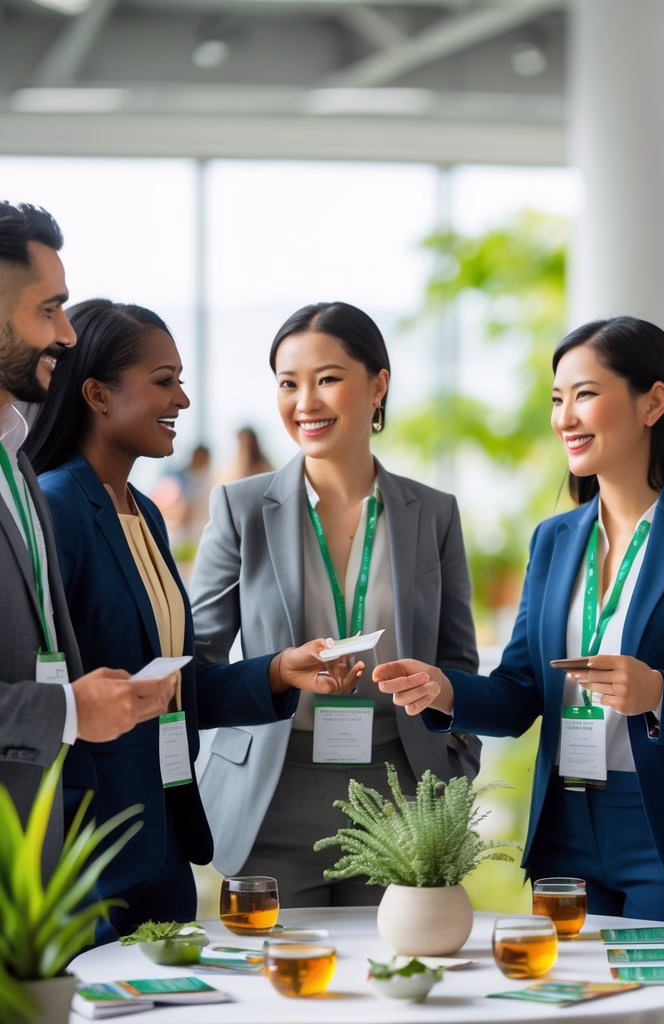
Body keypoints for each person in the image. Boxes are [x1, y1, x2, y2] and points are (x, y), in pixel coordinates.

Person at [373, 316, 664, 930]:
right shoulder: (554, 539)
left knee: (663, 988)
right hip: (565, 826)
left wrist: (660, 693)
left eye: (585, 394)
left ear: (653, 403)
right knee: (570, 984)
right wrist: (444, 691)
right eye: (557, 400)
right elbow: (519, 693)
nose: (565, 418)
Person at [22, 298, 352, 938]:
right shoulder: (57, 509)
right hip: (94, 849)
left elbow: (174, 685)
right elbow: (45, 688)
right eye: (163, 381)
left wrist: (280, 671)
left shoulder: (143, 512)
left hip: (165, 835)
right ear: (97, 394)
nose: (183, 399)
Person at [190, 300, 481, 907]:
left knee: (393, 968)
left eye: (327, 379)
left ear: (378, 386)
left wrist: (458, 756)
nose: (305, 403)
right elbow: (201, 665)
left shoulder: (434, 513)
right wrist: (277, 672)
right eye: (288, 383)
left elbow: (458, 661)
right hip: (271, 792)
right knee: (275, 970)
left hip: (401, 796)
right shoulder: (241, 510)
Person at [0, 201, 175, 875]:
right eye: (49, 310)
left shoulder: (16, 466)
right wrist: (67, 708)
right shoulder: (56, 491)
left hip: (46, 847)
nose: (66, 334)